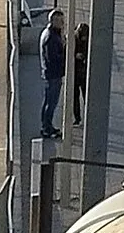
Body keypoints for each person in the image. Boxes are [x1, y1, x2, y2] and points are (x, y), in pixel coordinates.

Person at [38, 9, 66, 138]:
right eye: (59, 20)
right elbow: (53, 57)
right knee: (51, 102)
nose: (62, 23)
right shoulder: (51, 37)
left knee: (49, 101)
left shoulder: (51, 33)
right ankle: (46, 127)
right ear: (53, 21)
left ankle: (46, 126)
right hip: (53, 74)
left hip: (51, 73)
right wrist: (66, 52)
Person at [72, 21, 90, 124]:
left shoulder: (88, 40)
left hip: (83, 73)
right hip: (75, 73)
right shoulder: (73, 39)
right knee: (75, 97)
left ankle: (87, 115)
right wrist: (75, 55)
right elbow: (66, 52)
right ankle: (77, 117)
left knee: (86, 95)